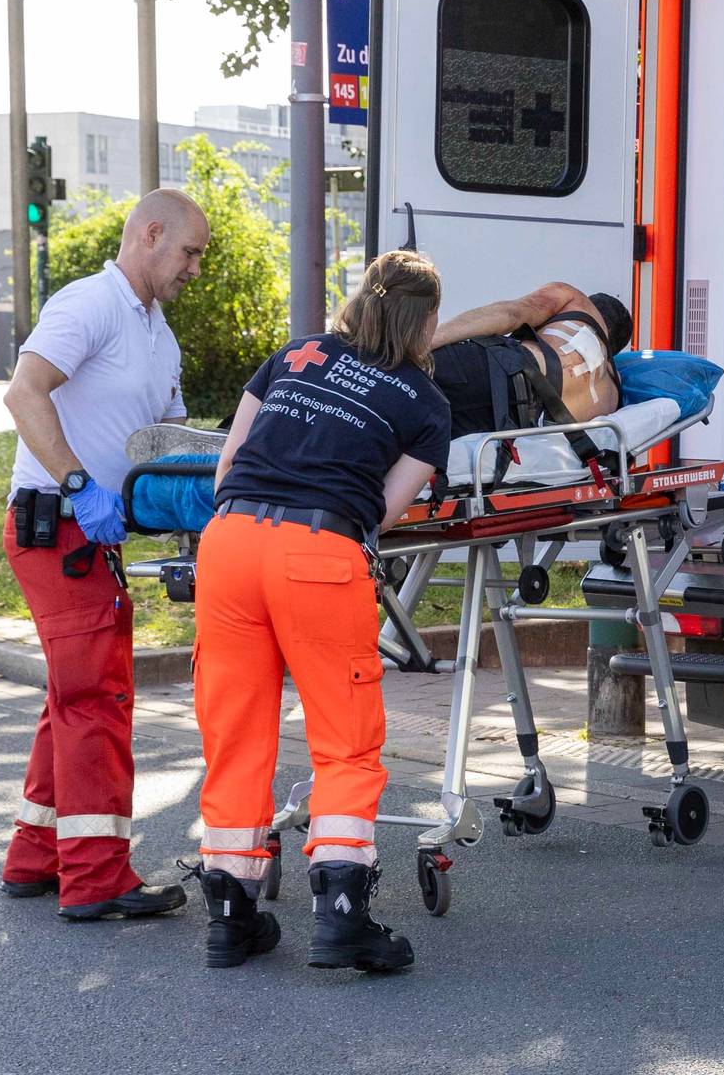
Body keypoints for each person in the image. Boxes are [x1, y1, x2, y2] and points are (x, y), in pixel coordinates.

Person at [188, 250, 452, 973]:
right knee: (343, 741)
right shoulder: (425, 403)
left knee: (236, 732)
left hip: (231, 543)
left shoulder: (296, 354)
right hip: (319, 551)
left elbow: (226, 464)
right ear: (426, 322)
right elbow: (382, 512)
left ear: (360, 299)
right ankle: (341, 918)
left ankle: (231, 915)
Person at [0, 187, 209, 921]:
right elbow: (24, 394)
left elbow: (169, 446)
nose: (195, 269)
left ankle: (35, 857)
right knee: (97, 698)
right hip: (58, 526)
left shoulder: (159, 333)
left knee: (73, 697)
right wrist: (80, 484)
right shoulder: (88, 305)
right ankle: (94, 879)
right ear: (151, 234)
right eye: (189, 252)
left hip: (92, 536)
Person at [423, 282, 634, 441]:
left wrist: (424, 344)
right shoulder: (611, 399)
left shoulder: (577, 303)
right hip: (501, 421)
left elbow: (511, 314)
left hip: (491, 368)